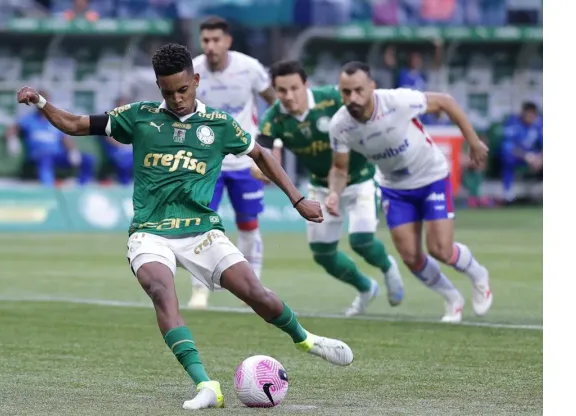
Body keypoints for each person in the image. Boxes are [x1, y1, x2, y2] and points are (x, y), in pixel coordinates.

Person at [16, 43, 354, 410]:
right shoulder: (139, 117)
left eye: (182, 89)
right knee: (161, 290)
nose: (176, 99)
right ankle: (206, 384)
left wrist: (298, 199)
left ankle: (306, 339)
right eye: (167, 91)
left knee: (257, 294)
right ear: (158, 88)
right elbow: (77, 124)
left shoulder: (219, 125)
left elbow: (261, 154)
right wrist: (42, 104)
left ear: (195, 81)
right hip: (150, 231)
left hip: (202, 232)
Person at [326, 61, 493, 323]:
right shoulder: (340, 125)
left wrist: (472, 141)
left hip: (431, 176)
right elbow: (339, 168)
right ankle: (452, 298)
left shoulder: (396, 101)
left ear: (372, 87)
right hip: (395, 188)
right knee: (411, 257)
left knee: (441, 249)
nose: (352, 98)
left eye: (358, 90)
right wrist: (334, 193)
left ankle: (479, 275)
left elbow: (446, 102)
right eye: (346, 92)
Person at [255, 60, 404, 316]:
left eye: (294, 88)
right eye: (281, 91)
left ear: (306, 85)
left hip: (361, 178)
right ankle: (366, 287)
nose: (289, 96)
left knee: (361, 240)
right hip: (321, 186)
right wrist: (261, 172)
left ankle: (388, 266)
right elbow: (260, 159)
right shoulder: (273, 120)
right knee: (323, 254)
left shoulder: (334, 98)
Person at [187, 16, 277, 309]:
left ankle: (255, 287)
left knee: (248, 225)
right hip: (206, 163)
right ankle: (199, 290)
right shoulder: (194, 71)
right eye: (206, 41)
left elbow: (274, 104)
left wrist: (270, 146)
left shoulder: (249, 68)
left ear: (228, 41)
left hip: (244, 161)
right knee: (200, 227)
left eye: (216, 40)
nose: (211, 46)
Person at [6, 90, 95, 187]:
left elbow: (65, 138)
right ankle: (48, 189)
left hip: (57, 155)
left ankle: (82, 187)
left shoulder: (55, 119)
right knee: (45, 158)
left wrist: (73, 151)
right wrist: (12, 139)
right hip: (38, 156)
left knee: (88, 159)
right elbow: (12, 129)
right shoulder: (29, 119)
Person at [500, 102, 543, 204]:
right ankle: (508, 194)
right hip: (518, 156)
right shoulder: (513, 123)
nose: (530, 117)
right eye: (528, 114)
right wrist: (526, 156)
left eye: (532, 114)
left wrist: (540, 158)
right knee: (507, 158)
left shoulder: (539, 124)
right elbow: (507, 146)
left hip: (535, 157)